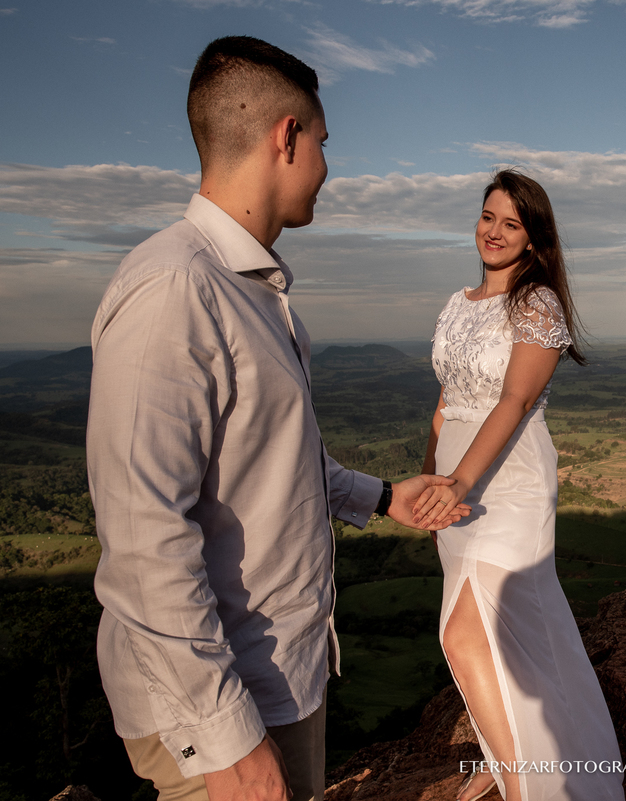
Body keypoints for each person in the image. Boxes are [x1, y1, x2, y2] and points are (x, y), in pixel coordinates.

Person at [87, 36, 468, 801]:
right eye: (324, 144)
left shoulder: (248, 289)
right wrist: (228, 737)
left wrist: (382, 495)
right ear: (286, 137)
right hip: (222, 705)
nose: (328, 167)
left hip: (275, 677)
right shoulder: (177, 288)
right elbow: (140, 535)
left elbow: (268, 459)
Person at [412, 171, 625, 801]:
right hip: (454, 479)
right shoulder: (457, 302)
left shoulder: (536, 305)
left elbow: (515, 399)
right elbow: (444, 405)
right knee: (496, 633)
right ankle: (504, 750)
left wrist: (457, 482)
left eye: (511, 223)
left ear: (534, 238)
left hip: (507, 482)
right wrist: (432, 483)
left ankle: (524, 782)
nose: (494, 232)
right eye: (487, 217)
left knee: (465, 630)